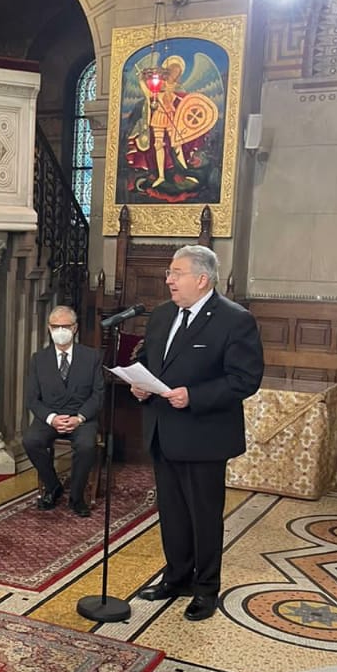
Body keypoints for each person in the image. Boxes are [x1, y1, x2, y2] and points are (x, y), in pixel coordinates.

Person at [132, 245, 264, 622]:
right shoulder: (161, 314)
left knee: (203, 517)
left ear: (202, 279)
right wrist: (139, 383)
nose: (169, 280)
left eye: (177, 273)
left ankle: (205, 589)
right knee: (172, 513)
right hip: (162, 431)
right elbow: (148, 360)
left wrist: (194, 396)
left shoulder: (235, 320)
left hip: (204, 436)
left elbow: (245, 379)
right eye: (169, 273)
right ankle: (176, 578)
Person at [22, 305, 103, 518]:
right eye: (55, 326)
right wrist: (52, 418)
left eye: (65, 326)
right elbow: (32, 398)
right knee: (31, 441)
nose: (60, 331)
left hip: (81, 417)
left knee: (86, 446)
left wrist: (79, 418)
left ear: (74, 328)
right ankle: (53, 486)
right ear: (49, 328)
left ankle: (76, 497)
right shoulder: (39, 359)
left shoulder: (92, 357)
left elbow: (98, 395)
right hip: (50, 416)